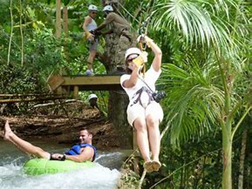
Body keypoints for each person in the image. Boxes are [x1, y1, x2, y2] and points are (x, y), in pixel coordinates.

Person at [120, 35, 163, 173]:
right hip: (136, 105)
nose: (133, 61)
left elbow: (158, 54)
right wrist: (136, 68)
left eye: (135, 58)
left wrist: (148, 41)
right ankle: (146, 159)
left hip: (151, 103)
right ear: (127, 63)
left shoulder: (150, 74)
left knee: (152, 120)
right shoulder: (125, 77)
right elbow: (132, 83)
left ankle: (155, 157)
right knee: (140, 124)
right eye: (130, 60)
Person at [3, 120, 96, 162]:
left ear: (90, 136)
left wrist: (63, 157)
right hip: (64, 161)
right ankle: (11, 139)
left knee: (38, 151)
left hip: (64, 161)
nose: (80, 138)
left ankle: (11, 134)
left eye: (83, 136)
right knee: (31, 154)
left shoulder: (89, 149)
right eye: (79, 136)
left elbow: (80, 159)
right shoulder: (82, 146)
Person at [94, 5, 133, 70]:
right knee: (125, 50)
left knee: (121, 49)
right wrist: (102, 33)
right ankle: (126, 66)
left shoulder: (111, 14)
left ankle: (122, 67)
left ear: (106, 12)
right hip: (126, 34)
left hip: (124, 34)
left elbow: (104, 24)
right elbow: (112, 30)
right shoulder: (115, 20)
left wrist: (95, 30)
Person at [83, 4, 99, 76]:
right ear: (89, 12)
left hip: (94, 36)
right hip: (91, 36)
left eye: (95, 12)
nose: (94, 14)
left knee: (93, 53)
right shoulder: (88, 18)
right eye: (93, 12)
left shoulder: (92, 20)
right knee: (92, 53)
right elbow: (84, 26)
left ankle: (90, 69)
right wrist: (88, 34)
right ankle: (89, 70)